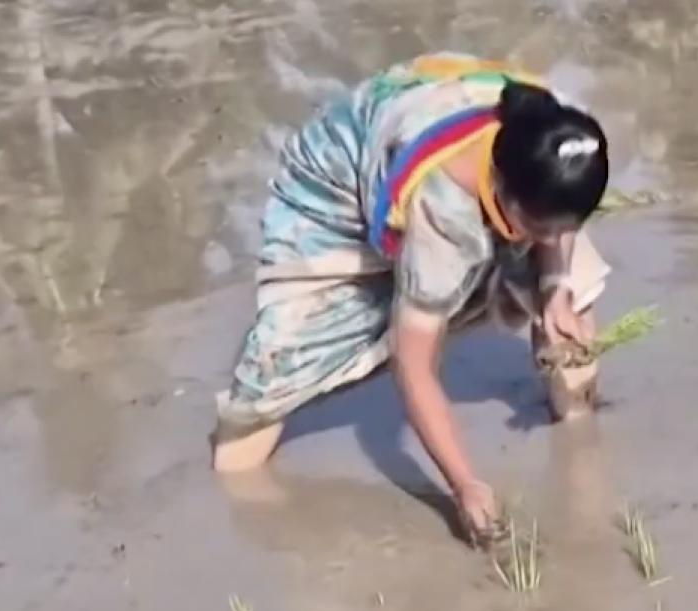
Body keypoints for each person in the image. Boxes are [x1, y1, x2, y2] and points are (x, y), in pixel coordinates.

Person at [212, 53, 611, 542]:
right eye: (540, 229)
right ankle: (235, 502)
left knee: (573, 315)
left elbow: (559, 225)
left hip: (423, 125)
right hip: (332, 193)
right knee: (266, 393)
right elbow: (413, 366)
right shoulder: (444, 215)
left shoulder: (560, 136)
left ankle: (578, 444)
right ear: (502, 191)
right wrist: (464, 485)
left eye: (565, 227)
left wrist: (556, 291)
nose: (551, 241)